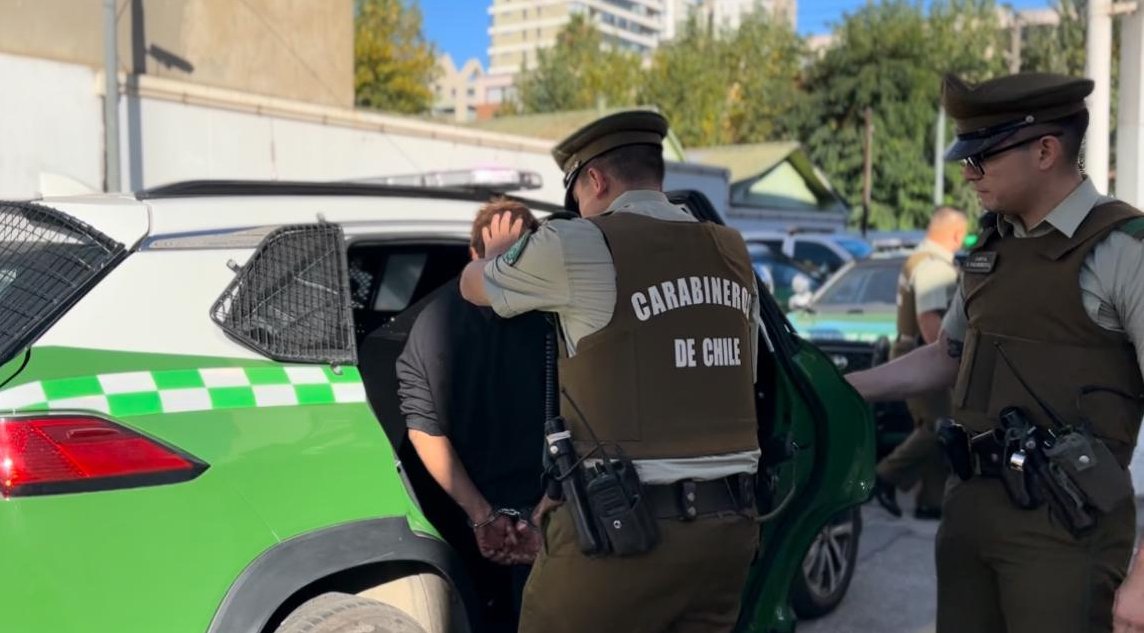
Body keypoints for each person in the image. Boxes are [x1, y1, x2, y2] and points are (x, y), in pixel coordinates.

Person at [846, 72, 1144, 633]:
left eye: (982, 156)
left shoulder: (1123, 249)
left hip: (1065, 528)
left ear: (1046, 151)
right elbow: (948, 356)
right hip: (969, 510)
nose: (967, 172)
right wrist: (841, 389)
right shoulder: (993, 247)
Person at [458, 110, 763, 633]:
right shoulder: (731, 251)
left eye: (576, 193)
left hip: (622, 535)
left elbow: (472, 286)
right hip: (728, 536)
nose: (578, 207)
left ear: (594, 179)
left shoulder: (577, 243)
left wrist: (502, 257)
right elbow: (729, 373)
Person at [395, 198, 549, 632]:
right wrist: (540, 517)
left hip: (471, 523)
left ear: (470, 255)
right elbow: (590, 420)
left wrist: (482, 515)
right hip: (555, 518)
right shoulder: (563, 317)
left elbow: (424, 430)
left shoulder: (428, 323)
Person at [872, 206, 968, 520]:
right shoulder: (936, 267)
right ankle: (884, 477)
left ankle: (931, 500)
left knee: (937, 425)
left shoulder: (918, 259)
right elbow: (929, 322)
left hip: (908, 348)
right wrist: (947, 359)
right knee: (941, 425)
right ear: (956, 234)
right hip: (923, 352)